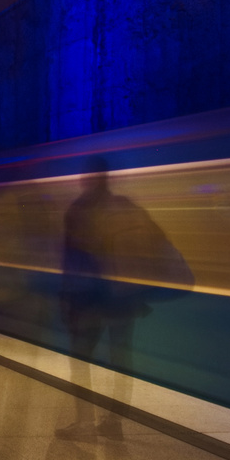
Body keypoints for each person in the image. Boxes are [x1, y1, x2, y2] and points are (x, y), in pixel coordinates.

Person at [58, 156, 191, 438]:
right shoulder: (127, 207)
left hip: (89, 300)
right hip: (123, 300)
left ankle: (84, 423)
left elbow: (74, 262)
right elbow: (157, 243)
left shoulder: (79, 210)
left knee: (82, 361)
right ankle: (114, 423)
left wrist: (67, 297)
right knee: (120, 360)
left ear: (86, 178)